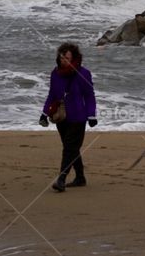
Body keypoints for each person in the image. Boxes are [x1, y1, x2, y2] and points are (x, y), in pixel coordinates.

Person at [40, 43, 97, 191]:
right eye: (61, 57)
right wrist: (44, 113)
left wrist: (92, 115)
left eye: (67, 57)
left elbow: (90, 96)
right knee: (71, 148)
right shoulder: (55, 73)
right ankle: (80, 178)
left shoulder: (84, 73)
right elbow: (52, 94)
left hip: (78, 117)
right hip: (61, 117)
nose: (63, 60)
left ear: (74, 58)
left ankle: (61, 179)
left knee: (69, 149)